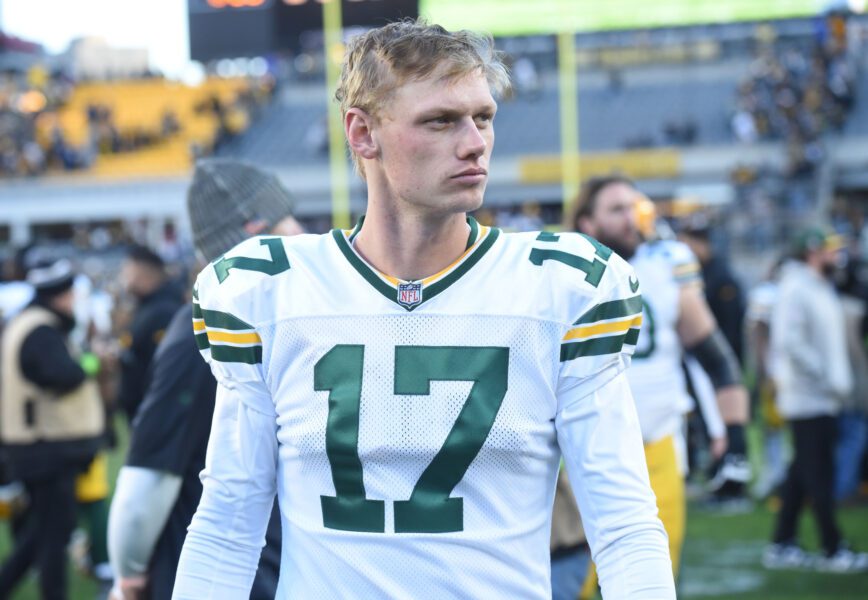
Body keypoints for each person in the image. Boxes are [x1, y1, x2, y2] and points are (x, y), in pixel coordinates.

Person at [174, 20, 675, 598]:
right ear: (363, 133)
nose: (475, 143)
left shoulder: (560, 288)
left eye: (483, 117)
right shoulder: (270, 293)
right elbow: (228, 525)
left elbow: (624, 523)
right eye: (440, 120)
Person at [107, 159, 303, 600]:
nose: (303, 233)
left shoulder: (282, 318)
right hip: (228, 569)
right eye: (286, 220)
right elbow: (149, 473)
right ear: (257, 231)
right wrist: (130, 571)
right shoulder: (204, 333)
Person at [564, 176, 749, 591]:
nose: (632, 217)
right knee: (572, 580)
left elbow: (716, 359)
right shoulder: (564, 273)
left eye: (634, 206)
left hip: (659, 443)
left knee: (652, 580)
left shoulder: (667, 262)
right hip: (582, 453)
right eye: (616, 209)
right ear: (587, 223)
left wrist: (733, 436)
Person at [764, 226, 868, 573]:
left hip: (823, 396)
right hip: (808, 397)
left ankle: (782, 542)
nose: (836, 255)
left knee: (801, 471)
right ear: (812, 251)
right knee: (819, 472)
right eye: (829, 249)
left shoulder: (820, 286)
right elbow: (790, 342)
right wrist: (825, 376)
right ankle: (832, 547)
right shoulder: (796, 288)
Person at [0, 257, 104, 600]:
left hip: (39, 446)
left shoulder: (28, 323)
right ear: (60, 295)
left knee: (44, 531)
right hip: (46, 446)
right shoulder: (41, 329)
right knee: (52, 535)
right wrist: (89, 363)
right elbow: (62, 375)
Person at [117, 244, 183, 421]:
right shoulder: (147, 307)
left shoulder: (164, 311)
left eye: (127, 271)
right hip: (144, 409)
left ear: (142, 272)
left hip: (157, 413)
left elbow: (164, 367)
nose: (123, 278)